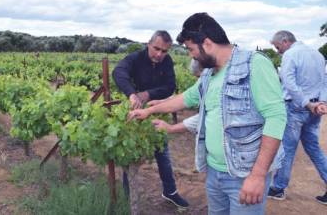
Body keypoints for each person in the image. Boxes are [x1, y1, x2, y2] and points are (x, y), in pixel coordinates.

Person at [128, 12, 287, 215]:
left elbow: (276, 117)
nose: (191, 55)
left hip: (244, 175)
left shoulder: (254, 64)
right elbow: (185, 98)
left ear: (207, 43)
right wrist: (148, 110)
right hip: (214, 173)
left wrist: (258, 175)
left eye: (191, 49)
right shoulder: (209, 74)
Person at [112, 30, 189, 209]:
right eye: (156, 49)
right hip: (133, 113)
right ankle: (127, 196)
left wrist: (147, 94)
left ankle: (170, 191)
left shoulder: (167, 62)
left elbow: (170, 87)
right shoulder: (135, 58)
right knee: (129, 154)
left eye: (164, 51)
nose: (159, 54)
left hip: (156, 112)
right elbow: (118, 72)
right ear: (148, 44)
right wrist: (132, 94)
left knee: (162, 153)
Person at [267, 30, 327, 205]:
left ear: (285, 41)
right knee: (314, 148)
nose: (277, 51)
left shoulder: (290, 55)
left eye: (277, 47)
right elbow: (324, 80)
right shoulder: (317, 54)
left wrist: (306, 103)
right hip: (315, 108)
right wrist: (321, 101)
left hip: (296, 107)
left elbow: (289, 82)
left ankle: (278, 188)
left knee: (287, 148)